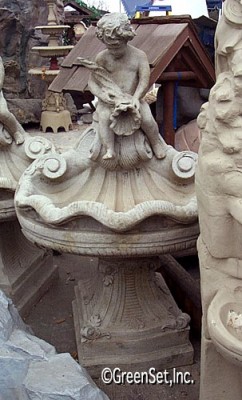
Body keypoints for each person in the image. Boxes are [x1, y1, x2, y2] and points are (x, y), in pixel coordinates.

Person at [80, 13, 167, 160]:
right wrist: (102, 96)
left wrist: (136, 97)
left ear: (126, 38)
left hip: (134, 99)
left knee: (147, 120)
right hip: (110, 101)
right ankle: (109, 149)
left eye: (117, 46)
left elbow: (144, 81)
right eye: (110, 47)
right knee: (104, 118)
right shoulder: (102, 57)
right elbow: (93, 82)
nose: (114, 51)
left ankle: (156, 142)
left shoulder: (139, 56)